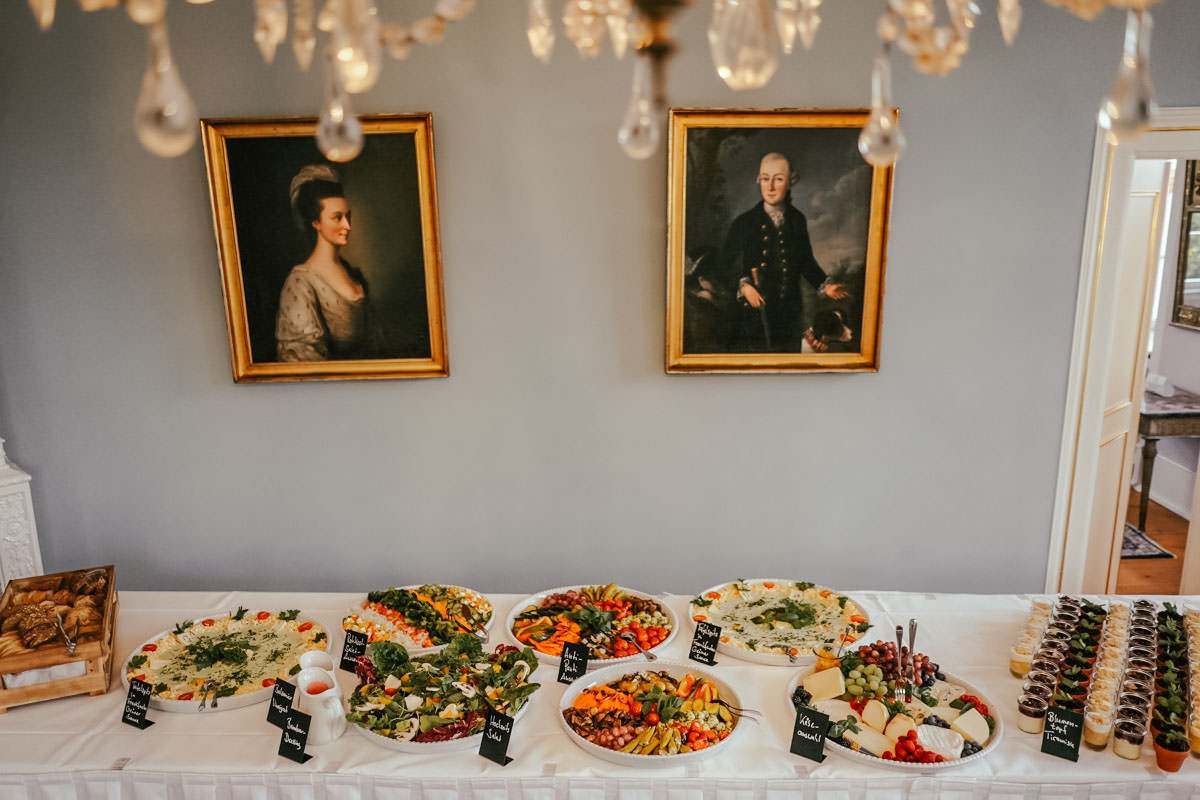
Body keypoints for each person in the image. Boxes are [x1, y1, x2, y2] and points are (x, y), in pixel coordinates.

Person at [717, 152, 848, 352]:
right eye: (764, 179)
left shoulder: (797, 220)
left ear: (790, 182)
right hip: (753, 317)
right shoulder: (744, 222)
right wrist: (744, 286)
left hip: (789, 314)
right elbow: (723, 265)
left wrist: (825, 285)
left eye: (778, 179)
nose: (770, 187)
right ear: (758, 181)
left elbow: (805, 261)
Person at [275, 165, 383, 361]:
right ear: (316, 222)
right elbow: (303, 361)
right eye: (337, 218)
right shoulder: (300, 283)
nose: (347, 226)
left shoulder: (352, 273)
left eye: (348, 216)